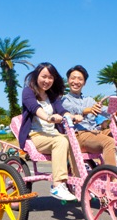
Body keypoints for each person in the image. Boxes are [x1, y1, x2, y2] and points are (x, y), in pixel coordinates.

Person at [19, 62, 79, 201]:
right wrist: (48, 118)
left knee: (74, 140)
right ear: (36, 77)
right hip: (36, 135)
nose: (47, 80)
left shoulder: (52, 95)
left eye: (50, 77)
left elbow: (62, 111)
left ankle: (78, 182)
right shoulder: (28, 91)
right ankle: (58, 185)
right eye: (44, 76)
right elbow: (34, 108)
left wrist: (73, 117)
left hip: (53, 134)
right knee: (61, 140)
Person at [62, 65, 117, 169]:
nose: (76, 81)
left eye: (80, 79)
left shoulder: (89, 100)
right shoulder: (64, 100)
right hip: (79, 135)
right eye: (73, 78)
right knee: (109, 142)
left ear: (84, 83)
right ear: (68, 80)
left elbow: (107, 111)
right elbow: (76, 109)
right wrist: (90, 109)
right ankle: (112, 178)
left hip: (95, 133)